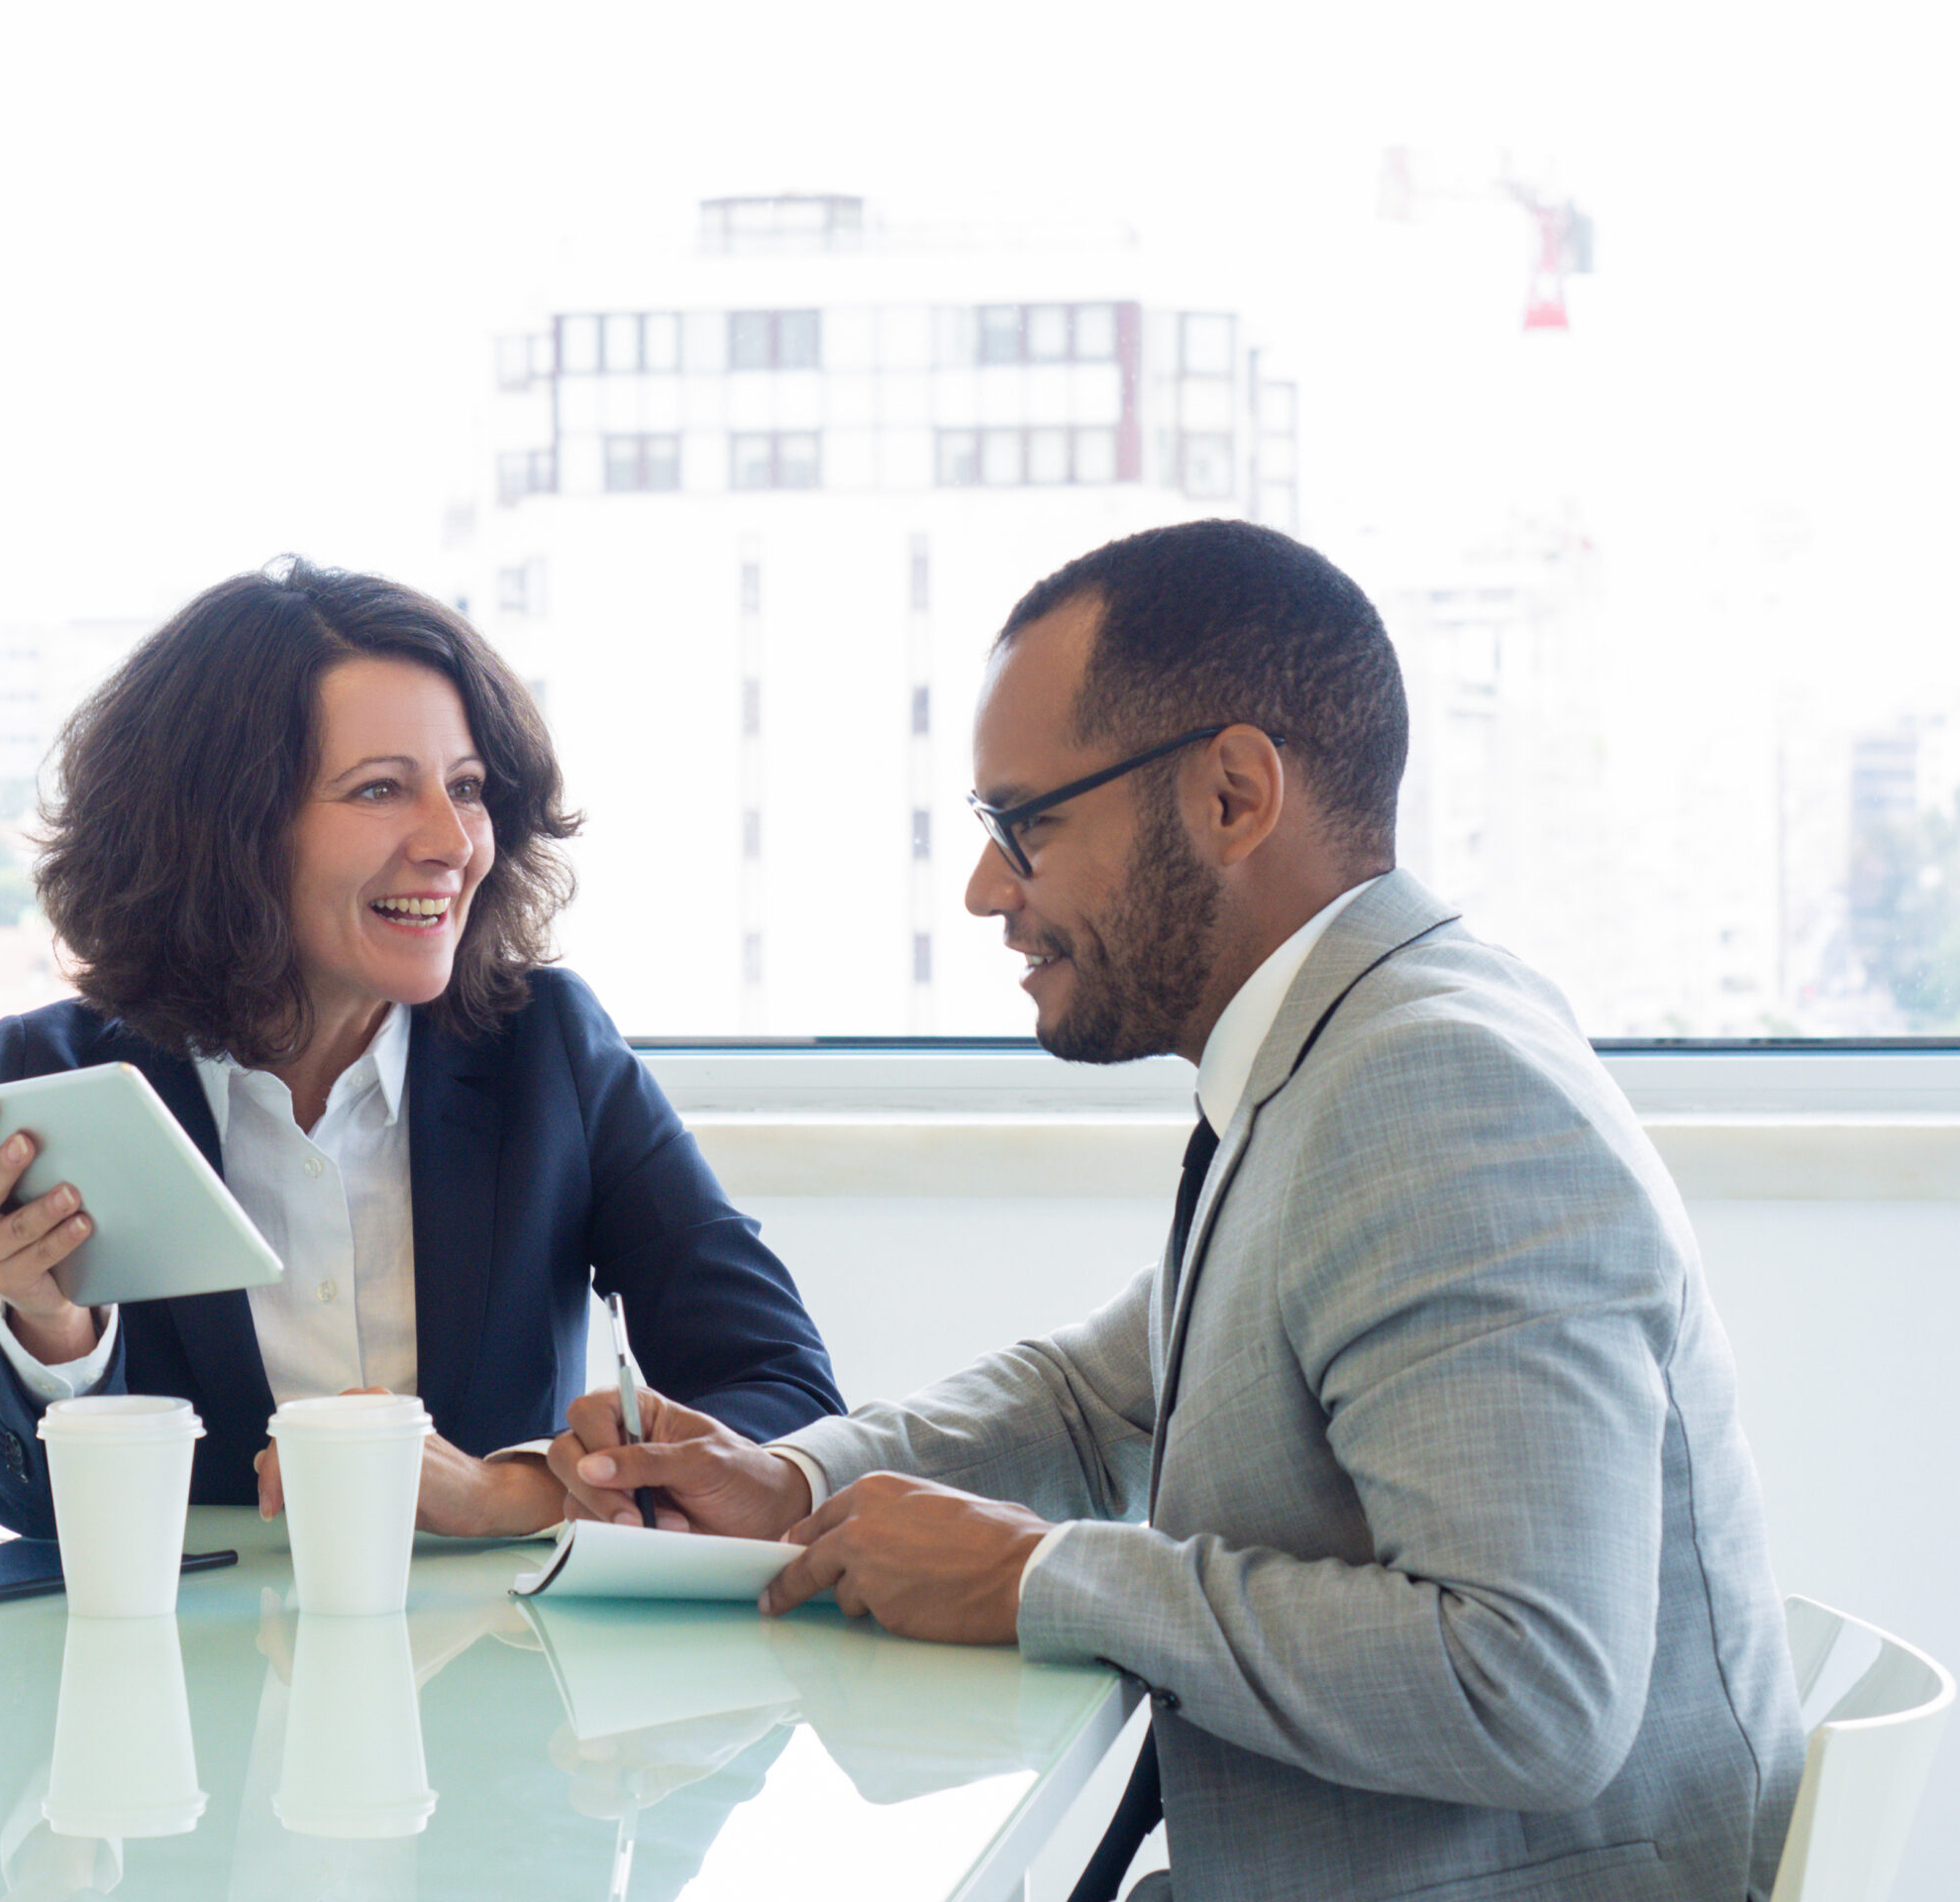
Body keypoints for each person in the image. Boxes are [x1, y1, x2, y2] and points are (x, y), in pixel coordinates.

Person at [555, 521, 1805, 1902]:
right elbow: (1103, 1400)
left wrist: (1042, 1579)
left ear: (1230, 796)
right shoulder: (1343, 1048)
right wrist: (794, 1479)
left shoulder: (1435, 1088)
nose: (987, 891)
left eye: (1029, 823)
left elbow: (1527, 1685)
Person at [0, 561, 841, 1541]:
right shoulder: (62, 1080)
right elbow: (31, 1504)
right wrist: (49, 1322)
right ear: (221, 830)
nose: (453, 841)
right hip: (195, 1676)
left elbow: (780, 1393)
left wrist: (524, 1493)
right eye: (378, 791)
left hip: (501, 1669)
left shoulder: (548, 1050)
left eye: (467, 787)